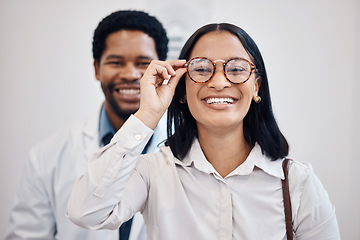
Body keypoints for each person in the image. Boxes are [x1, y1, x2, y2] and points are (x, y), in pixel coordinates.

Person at [66, 23, 341, 239]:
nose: (219, 82)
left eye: (236, 68)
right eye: (201, 68)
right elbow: (85, 212)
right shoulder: (152, 172)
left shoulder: (298, 183)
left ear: (256, 87)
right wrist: (148, 113)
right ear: (182, 89)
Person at [5, 10, 168, 240]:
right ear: (96, 69)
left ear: (161, 70)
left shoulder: (188, 150)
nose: (131, 74)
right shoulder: (47, 156)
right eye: (116, 62)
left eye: (143, 63)